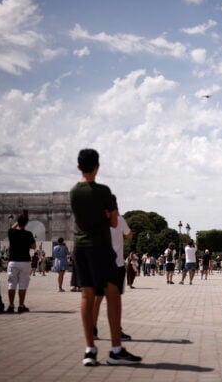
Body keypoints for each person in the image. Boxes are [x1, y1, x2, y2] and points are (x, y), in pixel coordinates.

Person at [69, 148, 141, 366]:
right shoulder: (103, 191)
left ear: (78, 166)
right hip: (100, 247)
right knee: (113, 295)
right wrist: (107, 214)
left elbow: (81, 221)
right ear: (97, 166)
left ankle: (89, 349)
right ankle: (116, 350)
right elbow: (113, 222)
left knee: (86, 296)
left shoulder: (73, 192)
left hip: (81, 247)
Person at [93, 201, 133, 342]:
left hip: (100, 264)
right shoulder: (119, 220)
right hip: (116, 265)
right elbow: (129, 235)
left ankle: (93, 329)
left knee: (97, 298)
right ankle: (117, 330)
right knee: (115, 300)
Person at [6, 210, 36, 313]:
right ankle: (21, 305)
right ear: (26, 223)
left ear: (17, 222)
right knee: (23, 284)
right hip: (24, 261)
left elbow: (12, 227)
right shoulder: (28, 234)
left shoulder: (11, 232)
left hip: (13, 261)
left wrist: (20, 220)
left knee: (11, 284)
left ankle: (10, 305)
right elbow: (34, 246)